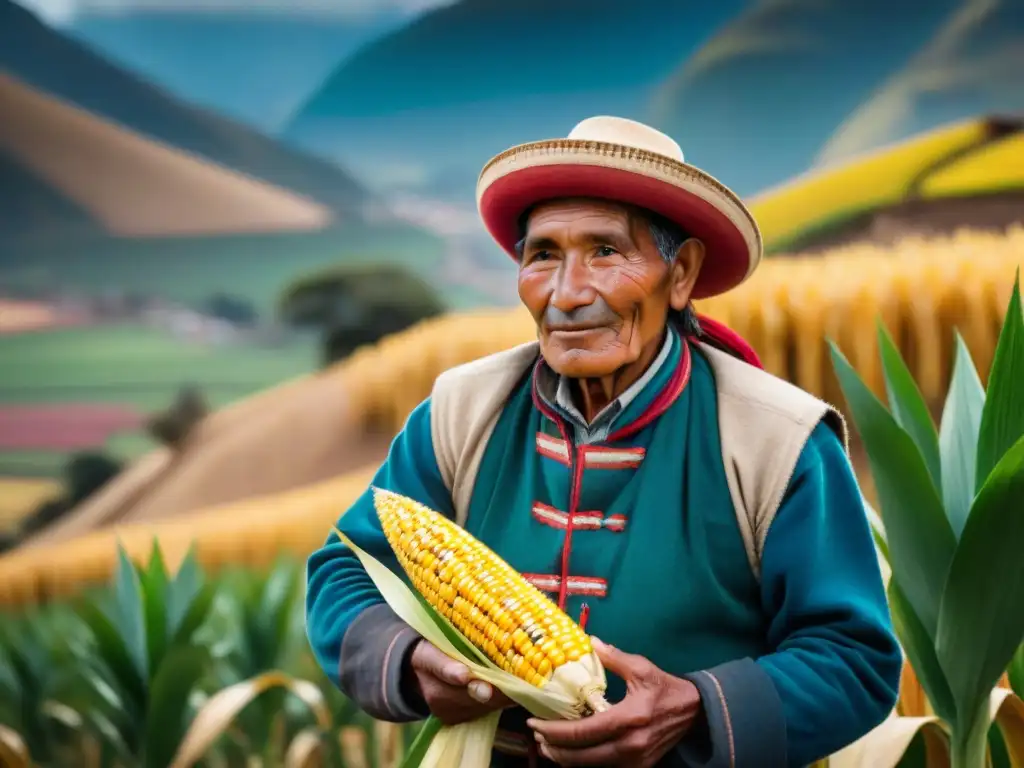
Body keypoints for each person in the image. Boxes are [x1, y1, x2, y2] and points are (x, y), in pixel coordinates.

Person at [306, 116, 901, 767]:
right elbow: (347, 568)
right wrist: (411, 661)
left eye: (606, 253)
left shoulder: (774, 441)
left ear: (681, 275)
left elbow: (853, 658)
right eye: (543, 255)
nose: (566, 293)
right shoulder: (459, 413)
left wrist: (695, 708)